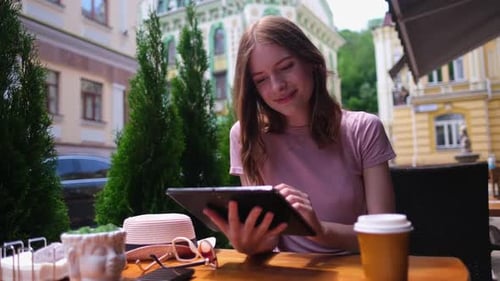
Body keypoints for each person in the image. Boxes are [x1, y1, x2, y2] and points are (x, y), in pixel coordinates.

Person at [203, 16, 396, 256]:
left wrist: (320, 230)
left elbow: (386, 238)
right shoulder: (245, 135)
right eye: (261, 79)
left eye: (285, 67)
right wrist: (247, 244)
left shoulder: (364, 129)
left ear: (311, 61)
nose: (277, 86)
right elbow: (267, 244)